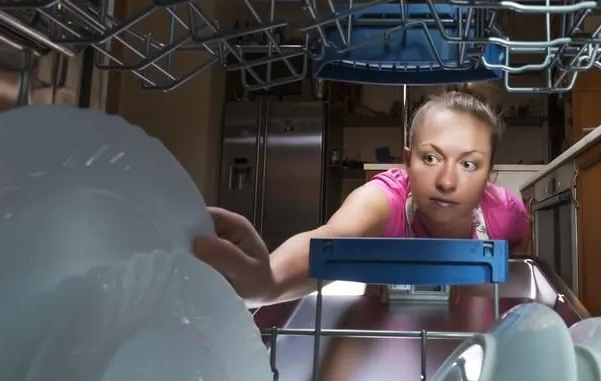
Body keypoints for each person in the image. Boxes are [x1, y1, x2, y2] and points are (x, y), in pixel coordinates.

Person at [194, 86, 532, 307]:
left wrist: (487, 296)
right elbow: (331, 239)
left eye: (469, 164)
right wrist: (268, 280)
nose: (446, 181)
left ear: (489, 175)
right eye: (430, 158)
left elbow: (521, 246)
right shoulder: (386, 199)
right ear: (406, 162)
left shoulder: (505, 210)